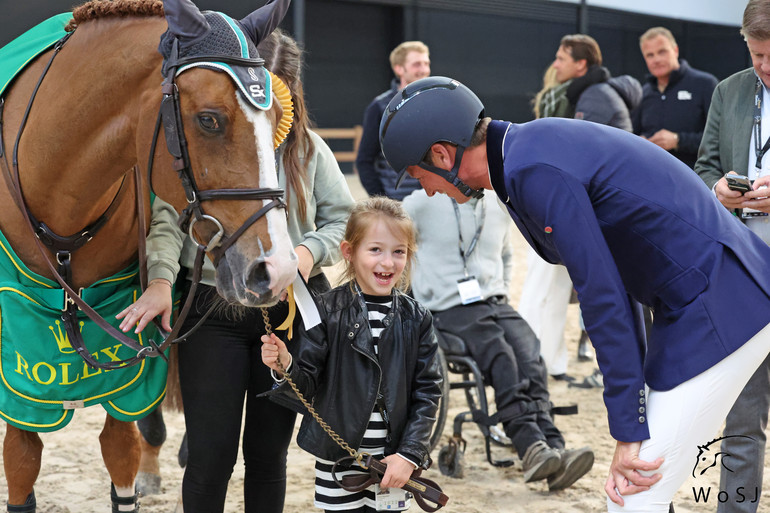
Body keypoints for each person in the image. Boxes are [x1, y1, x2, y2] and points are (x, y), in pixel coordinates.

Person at [378, 75, 770, 513]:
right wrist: (636, 407)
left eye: (418, 175)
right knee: (637, 495)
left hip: (723, 302)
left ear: (441, 154)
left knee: (634, 497)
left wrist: (629, 428)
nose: (426, 189)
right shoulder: (522, 155)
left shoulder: (531, 170)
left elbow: (604, 297)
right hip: (698, 299)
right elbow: (619, 281)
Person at [116, 29, 356, 513]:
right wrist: (162, 279)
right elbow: (166, 219)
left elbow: (343, 219)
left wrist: (305, 256)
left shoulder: (307, 150)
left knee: (269, 457)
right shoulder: (200, 148)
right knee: (210, 456)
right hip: (212, 309)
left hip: (287, 313)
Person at [402, 188, 594, 490]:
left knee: (531, 353)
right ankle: (529, 445)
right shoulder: (419, 204)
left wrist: (500, 290)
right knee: (500, 353)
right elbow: (397, 249)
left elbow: (505, 254)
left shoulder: (495, 203)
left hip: (493, 301)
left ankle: (554, 447)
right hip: (447, 307)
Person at [260, 196, 443, 512]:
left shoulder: (417, 318)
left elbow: (428, 392)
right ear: (349, 252)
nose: (387, 262)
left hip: (393, 465)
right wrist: (285, 364)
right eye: (375, 250)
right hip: (339, 460)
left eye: (398, 252)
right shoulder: (326, 311)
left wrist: (410, 454)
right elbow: (307, 387)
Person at [520, 34, 643, 383]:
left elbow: (579, 163)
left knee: (548, 284)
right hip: (584, 209)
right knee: (556, 285)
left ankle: (535, 361)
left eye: (561, 58)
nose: (555, 64)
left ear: (581, 64)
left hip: (583, 211)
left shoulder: (593, 99)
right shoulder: (583, 94)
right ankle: (550, 361)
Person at [694, 2, 770, 511]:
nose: (764, 67)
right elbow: (701, 170)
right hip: (744, 267)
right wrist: (718, 191)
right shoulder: (730, 91)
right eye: (757, 54)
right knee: (742, 419)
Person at [632, 27, 717, 169]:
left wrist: (678, 140)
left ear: (675, 50)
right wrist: (640, 142)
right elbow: (635, 133)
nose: (656, 59)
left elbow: (719, 138)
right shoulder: (644, 92)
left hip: (694, 176)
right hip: (652, 174)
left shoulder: (705, 84)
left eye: (662, 52)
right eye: (650, 55)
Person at [355, 41, 430, 200]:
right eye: (417, 64)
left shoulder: (439, 102)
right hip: (399, 205)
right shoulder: (380, 107)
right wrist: (384, 200)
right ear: (399, 68)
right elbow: (364, 161)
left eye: (426, 63)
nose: (424, 70)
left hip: (434, 201)